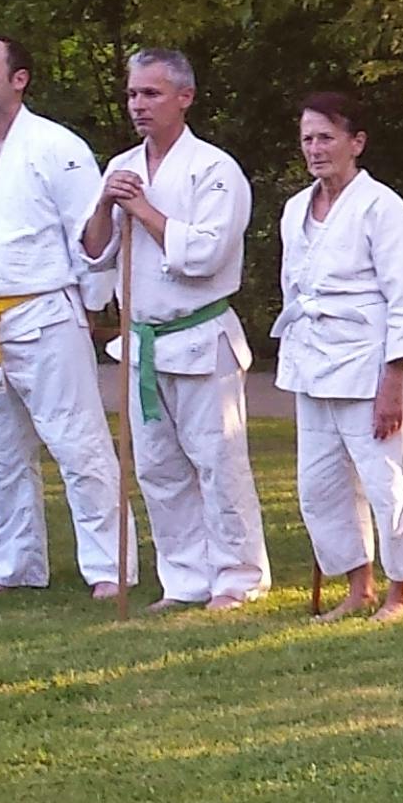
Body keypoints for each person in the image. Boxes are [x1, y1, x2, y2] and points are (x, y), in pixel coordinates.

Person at [0, 36, 127, 602]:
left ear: (19, 79)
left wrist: (93, 304)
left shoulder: (58, 147)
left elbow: (92, 237)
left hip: (45, 314)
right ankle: (15, 564)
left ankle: (109, 567)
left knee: (78, 444)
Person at [81, 48, 270, 612]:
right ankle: (184, 579)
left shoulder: (215, 169)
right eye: (132, 94)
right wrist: (105, 202)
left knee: (218, 464)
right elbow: (93, 251)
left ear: (184, 98)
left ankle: (237, 577)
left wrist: (141, 208)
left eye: (151, 93)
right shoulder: (122, 166)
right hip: (142, 341)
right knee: (159, 469)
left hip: (201, 338)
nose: (137, 105)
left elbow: (205, 255)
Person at [273, 91, 403, 621]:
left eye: (326, 137)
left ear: (356, 143)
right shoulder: (295, 209)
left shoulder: (382, 207)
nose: (315, 148)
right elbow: (294, 288)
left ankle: (401, 591)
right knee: (318, 487)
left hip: (368, 361)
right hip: (311, 359)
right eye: (307, 139)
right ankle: (358, 586)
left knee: (387, 483)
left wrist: (394, 380)